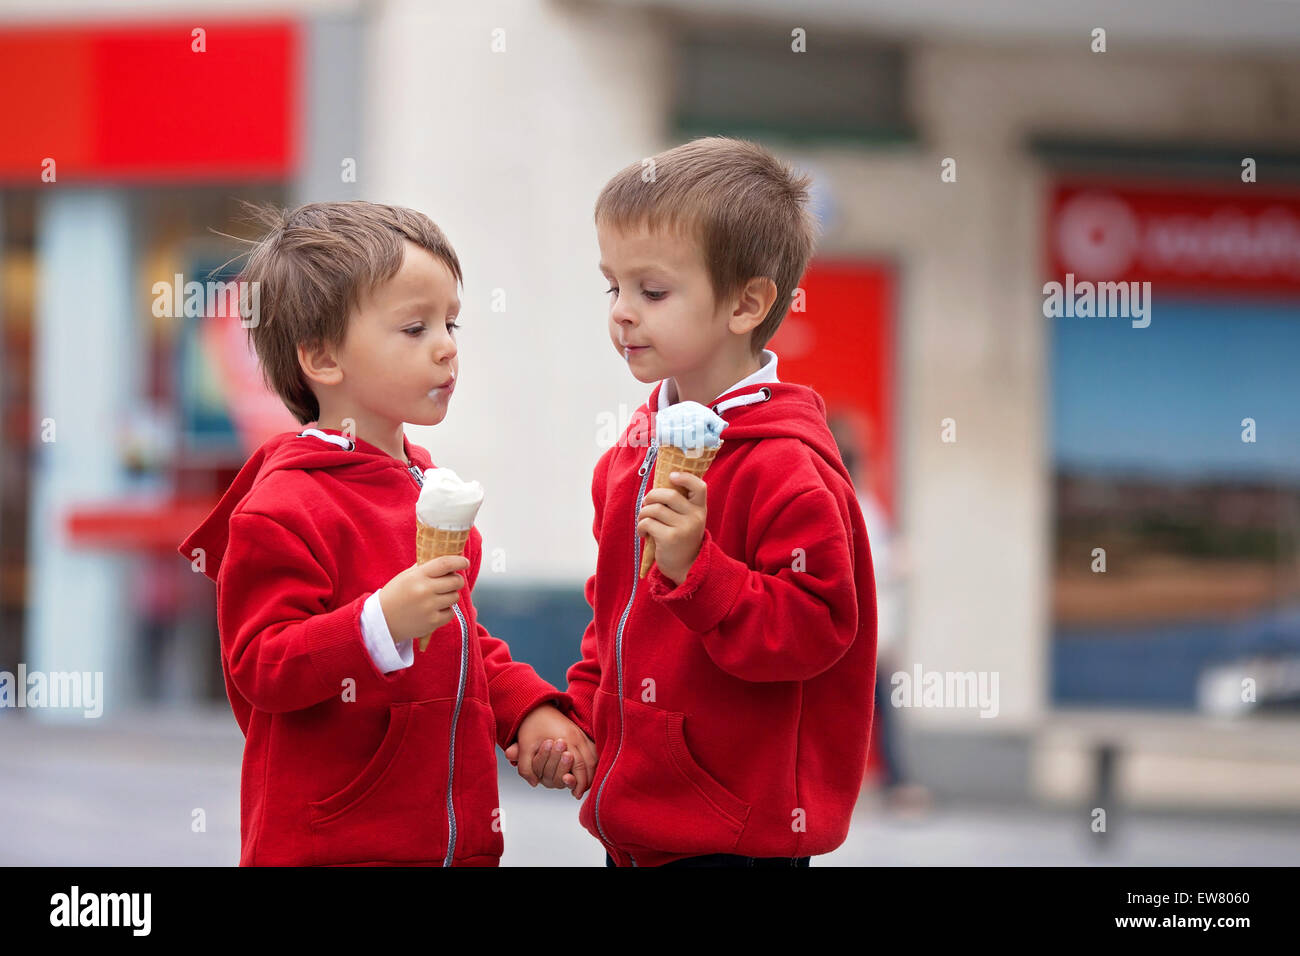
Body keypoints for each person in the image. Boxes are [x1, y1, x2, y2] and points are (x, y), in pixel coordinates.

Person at [178, 201, 593, 866]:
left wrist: (525, 708)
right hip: (333, 848)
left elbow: (458, 637)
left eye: (450, 322)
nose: (447, 345)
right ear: (323, 357)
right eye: (414, 327)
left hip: (454, 846)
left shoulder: (427, 486)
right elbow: (261, 666)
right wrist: (377, 623)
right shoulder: (283, 505)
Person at [508, 137, 878, 866]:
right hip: (635, 820)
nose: (622, 313)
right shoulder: (629, 451)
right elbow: (612, 615)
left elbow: (818, 630)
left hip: (734, 833)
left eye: (652, 292)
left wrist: (699, 572)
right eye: (612, 287)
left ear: (746, 303)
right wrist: (583, 722)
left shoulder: (787, 465)